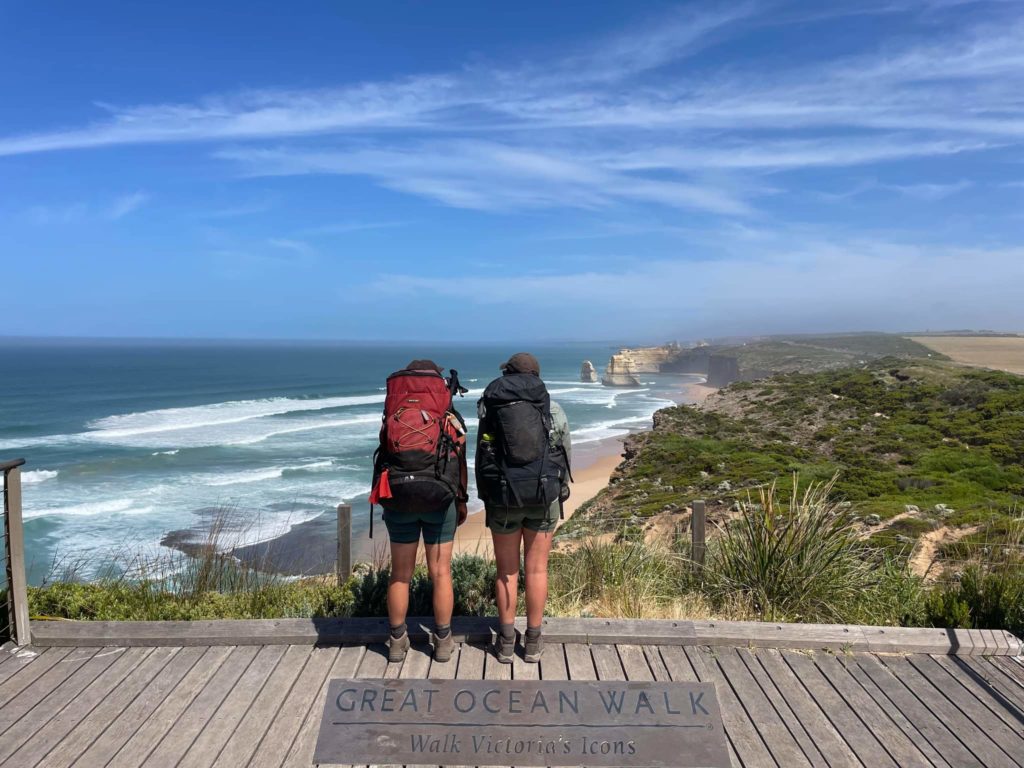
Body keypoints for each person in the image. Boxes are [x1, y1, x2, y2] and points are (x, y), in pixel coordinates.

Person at [368, 359, 468, 663]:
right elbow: (460, 459)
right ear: (437, 383)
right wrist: (461, 500)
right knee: (440, 573)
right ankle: (442, 642)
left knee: (400, 575)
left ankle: (397, 642)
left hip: (399, 497)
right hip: (439, 497)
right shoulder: (448, 416)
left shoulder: (393, 413)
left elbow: (384, 454)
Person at [475, 353, 571, 663]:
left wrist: (486, 495)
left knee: (506, 571)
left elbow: (482, 455)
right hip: (543, 498)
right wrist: (560, 492)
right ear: (536, 377)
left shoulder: (492, 407)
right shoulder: (551, 408)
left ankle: (504, 642)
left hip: (503, 498)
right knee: (537, 569)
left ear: (508, 375)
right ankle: (532, 641)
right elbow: (564, 456)